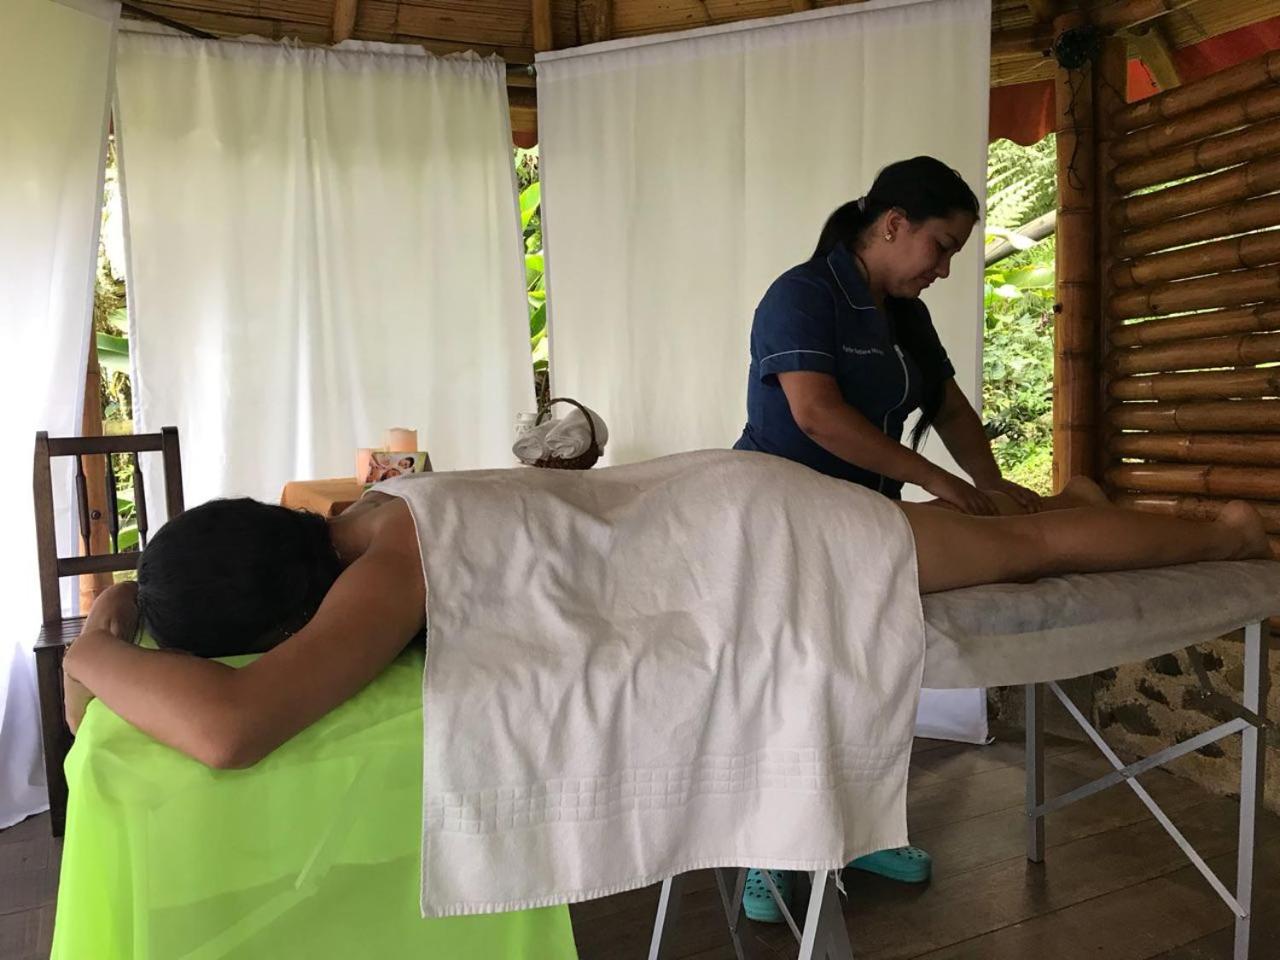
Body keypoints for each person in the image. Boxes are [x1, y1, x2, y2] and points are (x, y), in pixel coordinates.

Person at [64, 469, 1269, 780]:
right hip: (723, 511)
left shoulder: (389, 571)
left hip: (758, 538)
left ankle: (1223, 528)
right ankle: (1205, 523)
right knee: (1021, 545)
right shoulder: (378, 509)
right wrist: (129, 603)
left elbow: (232, 727)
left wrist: (94, 645)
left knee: (1028, 549)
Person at [726, 155, 1063, 912]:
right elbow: (816, 414)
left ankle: (865, 831)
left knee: (873, 668)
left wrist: (991, 485)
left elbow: (950, 409)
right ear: (892, 223)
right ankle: (767, 850)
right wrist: (939, 481)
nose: (943, 269)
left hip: (866, 522)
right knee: (791, 676)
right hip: (779, 516)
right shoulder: (802, 294)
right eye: (940, 246)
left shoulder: (904, 313)